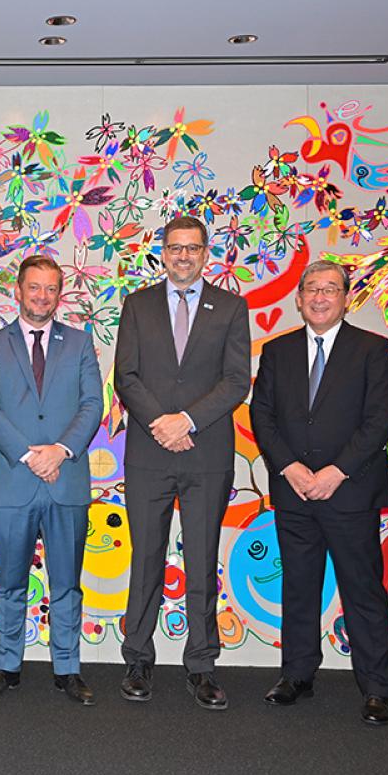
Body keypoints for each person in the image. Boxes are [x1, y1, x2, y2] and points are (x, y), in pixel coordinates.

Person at [248, 260, 388, 725]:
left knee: (362, 590)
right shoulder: (277, 351)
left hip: (350, 493)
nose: (319, 297)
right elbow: (263, 417)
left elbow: (380, 421)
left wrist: (336, 472)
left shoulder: (372, 349)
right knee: (298, 586)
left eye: (330, 289)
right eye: (311, 288)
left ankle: (376, 687)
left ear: (345, 298)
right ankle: (297, 675)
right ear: (298, 297)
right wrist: (291, 468)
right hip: (294, 493)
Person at [113, 215, 250, 709]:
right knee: (146, 557)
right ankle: (138, 659)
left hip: (206, 452)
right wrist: (162, 423)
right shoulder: (138, 304)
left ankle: (202, 665)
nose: (183, 256)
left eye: (192, 248)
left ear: (205, 252)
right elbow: (125, 376)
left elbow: (237, 381)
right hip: (150, 452)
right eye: (175, 248)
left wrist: (187, 421)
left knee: (201, 560)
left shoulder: (231, 308)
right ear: (163, 253)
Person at [0, 255, 102, 702]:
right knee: (10, 581)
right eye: (34, 287)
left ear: (59, 293)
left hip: (66, 479)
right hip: (12, 480)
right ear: (19, 291)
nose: (42, 296)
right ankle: (6, 666)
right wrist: (30, 454)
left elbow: (92, 404)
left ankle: (68, 669)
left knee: (66, 582)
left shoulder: (81, 343)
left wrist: (60, 451)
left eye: (50, 288)